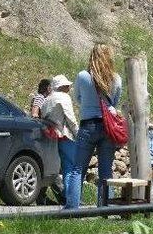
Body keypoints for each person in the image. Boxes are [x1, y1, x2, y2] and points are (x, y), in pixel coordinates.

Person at [65, 44, 122, 209]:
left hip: (88, 124)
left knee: (78, 169)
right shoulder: (116, 78)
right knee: (106, 171)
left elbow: (77, 98)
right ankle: (104, 208)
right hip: (107, 127)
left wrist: (89, 105)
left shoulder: (83, 76)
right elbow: (114, 103)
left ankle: (72, 208)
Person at [41, 75, 79, 208]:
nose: (69, 87)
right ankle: (73, 200)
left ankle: (69, 198)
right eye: (67, 85)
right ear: (62, 86)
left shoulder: (47, 99)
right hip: (64, 136)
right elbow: (70, 119)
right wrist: (78, 135)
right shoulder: (64, 97)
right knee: (73, 168)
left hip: (51, 137)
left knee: (63, 168)